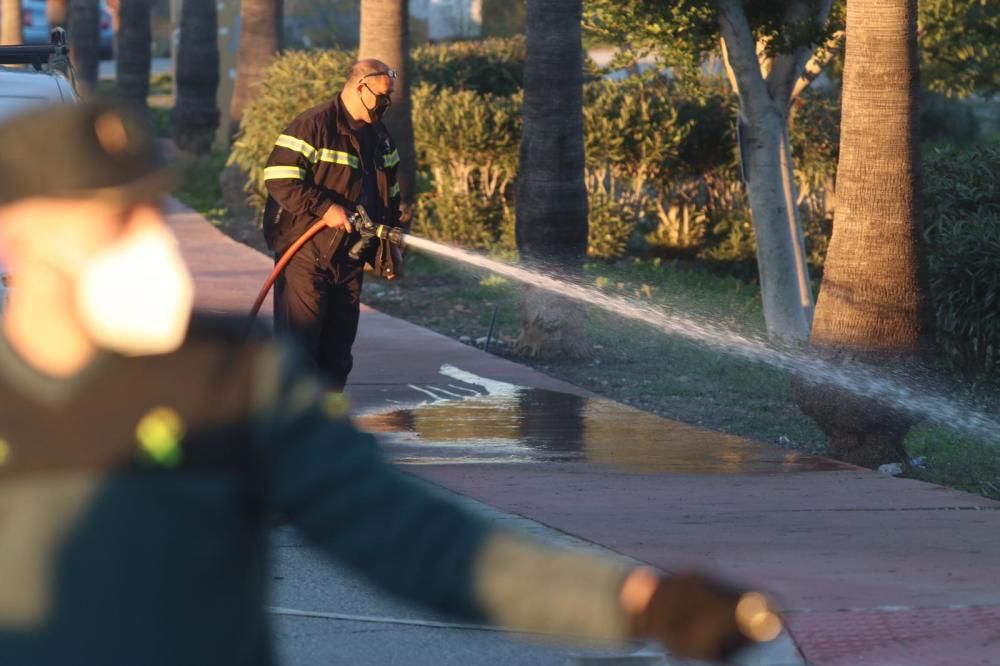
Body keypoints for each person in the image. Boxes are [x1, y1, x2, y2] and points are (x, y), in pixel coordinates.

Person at [0, 101, 780, 664]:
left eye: (146, 212)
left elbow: (419, 544)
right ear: (17, 232)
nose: (144, 241)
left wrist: (636, 604)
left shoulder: (231, 389)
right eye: (108, 220)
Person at [262, 58, 406, 391]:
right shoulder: (313, 125)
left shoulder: (380, 137)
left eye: (390, 97)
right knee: (299, 348)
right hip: (305, 253)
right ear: (360, 87)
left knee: (337, 352)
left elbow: (390, 196)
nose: (386, 104)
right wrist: (325, 209)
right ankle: (291, 426)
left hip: (349, 257)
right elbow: (279, 177)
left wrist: (391, 249)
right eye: (383, 96)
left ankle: (327, 422)